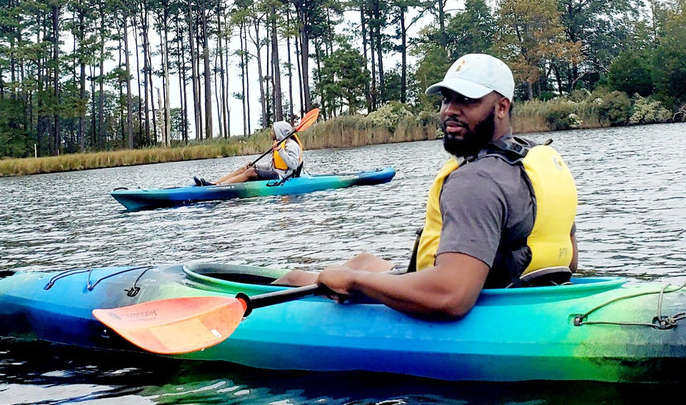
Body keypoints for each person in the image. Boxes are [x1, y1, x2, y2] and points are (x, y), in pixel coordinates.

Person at [276, 53, 578, 320]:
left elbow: (451, 297)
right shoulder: (538, 161)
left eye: (466, 100)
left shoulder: (476, 181)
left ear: (501, 107)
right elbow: (570, 262)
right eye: (446, 99)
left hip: (470, 300)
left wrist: (353, 282)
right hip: (527, 291)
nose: (449, 110)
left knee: (295, 279)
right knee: (363, 261)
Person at [197, 120, 304, 186]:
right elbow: (272, 165)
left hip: (283, 177)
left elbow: (293, 165)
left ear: (280, 132)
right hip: (276, 172)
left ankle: (219, 187)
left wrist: (280, 151)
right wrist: (256, 165)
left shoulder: (292, 145)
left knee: (251, 172)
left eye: (273, 130)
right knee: (244, 169)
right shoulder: (279, 143)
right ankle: (214, 184)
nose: (271, 132)